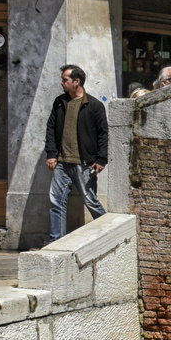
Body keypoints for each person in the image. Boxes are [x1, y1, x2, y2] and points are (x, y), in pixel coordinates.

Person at [45, 65, 108, 242]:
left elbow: (103, 133)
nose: (62, 83)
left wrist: (101, 159)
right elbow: (50, 128)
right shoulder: (60, 102)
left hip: (84, 163)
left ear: (76, 81)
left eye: (65, 80)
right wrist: (51, 154)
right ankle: (56, 241)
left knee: (90, 201)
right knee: (56, 202)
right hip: (61, 163)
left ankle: (108, 233)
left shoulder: (94, 105)